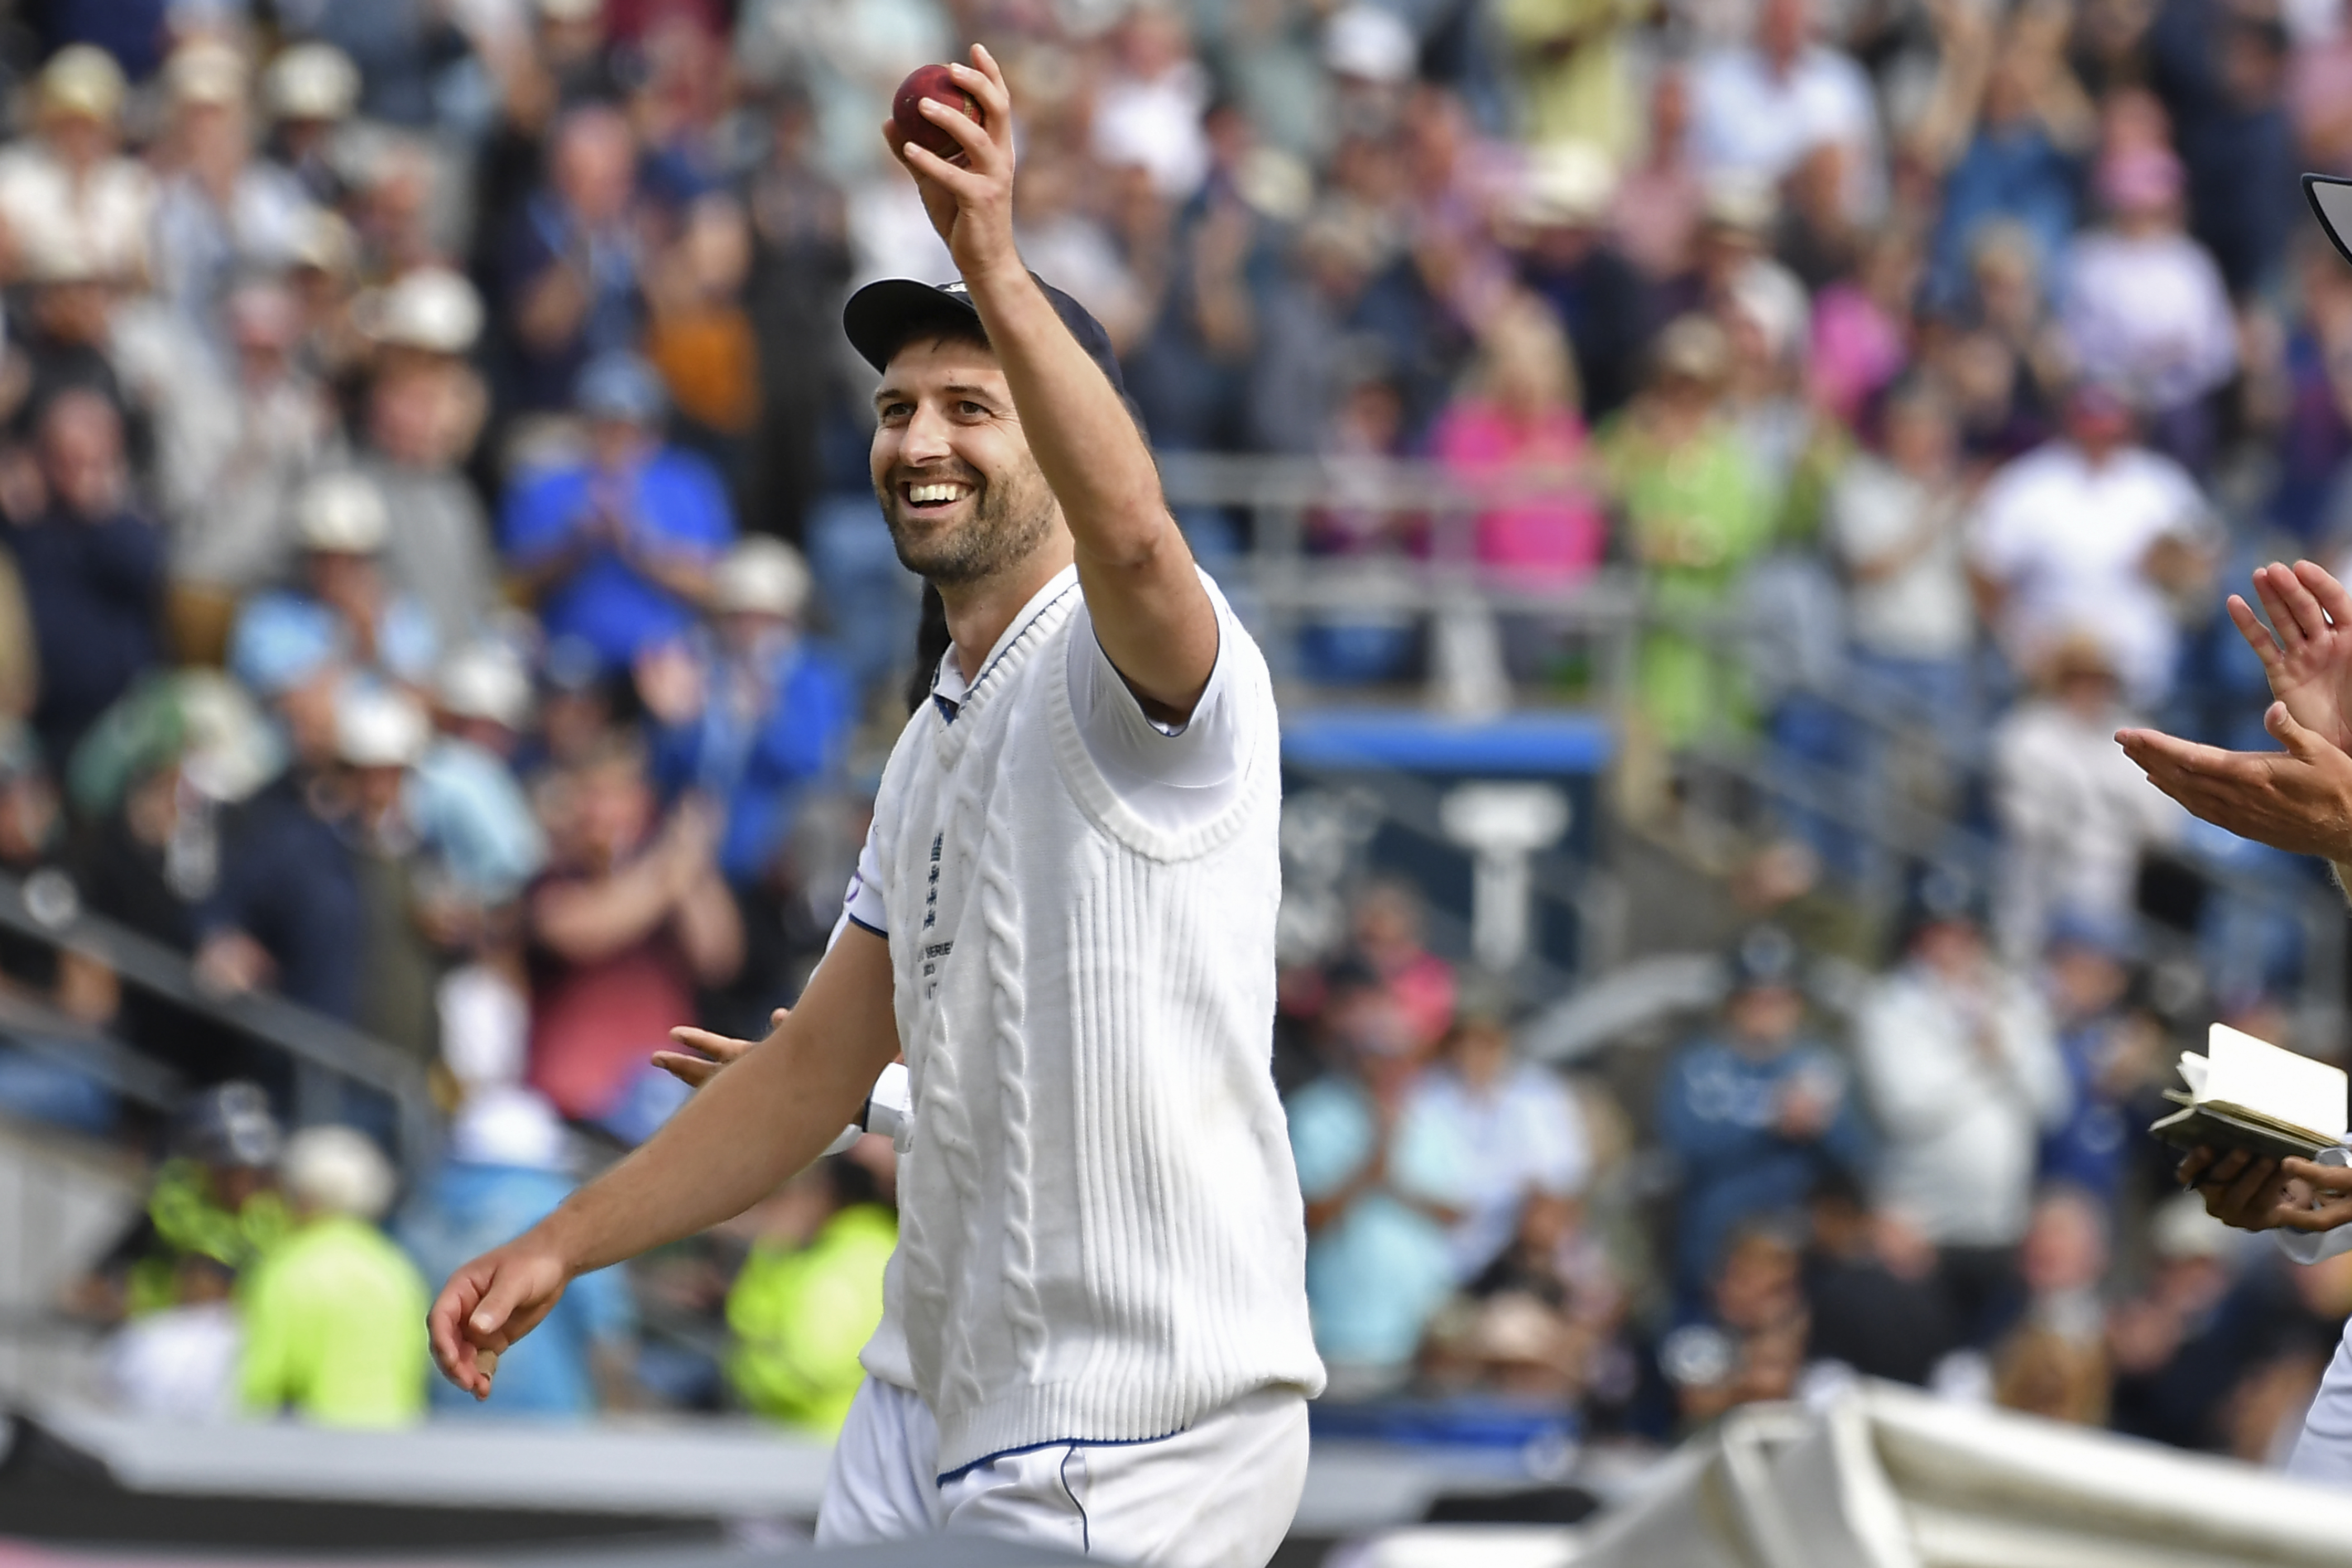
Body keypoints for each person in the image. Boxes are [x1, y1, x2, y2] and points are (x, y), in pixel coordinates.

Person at [428, 51, 1321, 1566]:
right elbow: (808, 1073)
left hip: (1136, 1423)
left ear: (1060, 421)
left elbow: (1143, 545)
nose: (918, 439)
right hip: (932, 1401)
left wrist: (990, 256)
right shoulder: (932, 734)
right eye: (898, 406)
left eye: (973, 403)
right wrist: (565, 1240)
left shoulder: (1147, 665)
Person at [1853, 872, 2068, 1346]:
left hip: (2001, 1230)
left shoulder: (2014, 1000)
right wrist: (1980, 1058)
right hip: (1917, 1231)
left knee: (1973, 1367)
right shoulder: (1889, 1006)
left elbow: (2052, 1104)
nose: (1949, 947)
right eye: (1935, 933)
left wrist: (2005, 1051)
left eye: (1962, 933)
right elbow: (1906, 1107)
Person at [1654, 926, 1870, 1318]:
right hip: (1712, 1260)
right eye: (1754, 998)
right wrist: (1769, 1122)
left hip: (1798, 1264)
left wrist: (1821, 1126)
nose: (1766, 1009)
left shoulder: (1820, 1064)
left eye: (1779, 998)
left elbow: (1857, 1154)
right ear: (1732, 1002)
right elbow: (1684, 1143)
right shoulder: (1701, 1063)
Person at [397, 1087, 635, 1420]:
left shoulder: (422, 1207)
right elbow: (604, 1327)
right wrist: (617, 1404)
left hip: (441, 1413)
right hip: (548, 1418)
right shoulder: (559, 1206)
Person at [239, 1125, 429, 1427]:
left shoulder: (288, 1269)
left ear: (307, 1196)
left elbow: (260, 1384)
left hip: (316, 1453)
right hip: (397, 1446)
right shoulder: (397, 1268)